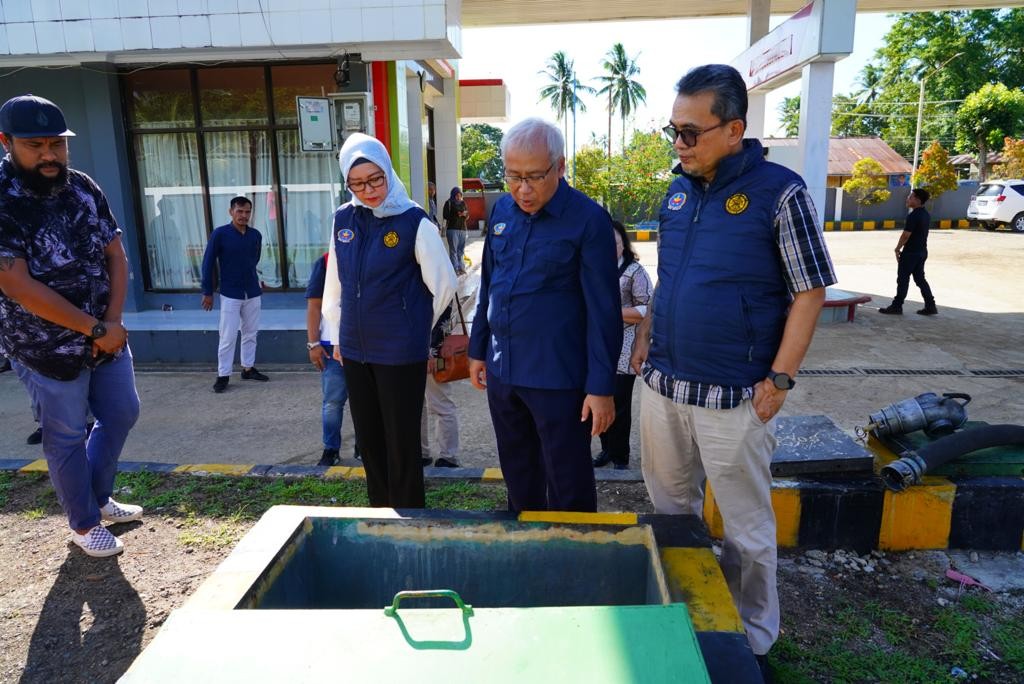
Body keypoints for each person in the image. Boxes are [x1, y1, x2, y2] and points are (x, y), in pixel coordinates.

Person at [629, 65, 836, 672]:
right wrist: (645, 336)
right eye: (673, 130)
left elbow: (810, 291)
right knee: (671, 515)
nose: (678, 144)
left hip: (736, 399)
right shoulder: (675, 191)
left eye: (691, 133)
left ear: (734, 129)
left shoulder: (781, 192)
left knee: (745, 531)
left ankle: (753, 640)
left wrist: (779, 380)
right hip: (663, 387)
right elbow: (670, 279)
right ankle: (687, 618)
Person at [0, 94, 143, 558]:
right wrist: (93, 328)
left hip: (106, 335)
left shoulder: (82, 187)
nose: (49, 155)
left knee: (121, 411)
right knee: (65, 435)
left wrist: (113, 321)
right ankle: (83, 525)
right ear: (6, 142)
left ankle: (98, 499)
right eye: (35, 145)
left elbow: (115, 256)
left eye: (57, 144)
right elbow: (16, 284)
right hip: (45, 348)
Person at [468, 118, 621, 513]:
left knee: (567, 480)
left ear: (561, 166)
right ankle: (529, 555)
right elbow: (490, 285)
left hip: (559, 379)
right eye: (513, 176)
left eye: (535, 176)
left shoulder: (588, 221)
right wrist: (478, 348)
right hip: (505, 373)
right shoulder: (503, 211)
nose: (523, 188)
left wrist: (601, 387)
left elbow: (604, 311)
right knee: (518, 474)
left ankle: (573, 560)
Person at [322, 133, 457, 508]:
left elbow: (444, 285)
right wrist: (335, 337)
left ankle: (410, 514)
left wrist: (413, 328)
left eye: (375, 179)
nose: (368, 190)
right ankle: (380, 512)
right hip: (354, 349)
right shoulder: (343, 220)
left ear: (388, 172)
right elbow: (335, 286)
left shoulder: (415, 221)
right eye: (358, 183)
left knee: (401, 440)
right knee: (369, 439)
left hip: (400, 353)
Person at [592, 221, 653, 471]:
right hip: (596, 346)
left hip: (624, 346)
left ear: (623, 244)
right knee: (597, 398)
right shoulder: (592, 269)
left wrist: (612, 313)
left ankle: (620, 456)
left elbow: (647, 308)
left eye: (614, 243)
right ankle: (606, 448)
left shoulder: (635, 272)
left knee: (620, 404)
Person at [200, 196, 269, 393]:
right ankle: (223, 374)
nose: (244, 215)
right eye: (239, 211)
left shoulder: (255, 235)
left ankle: (248, 368)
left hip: (252, 292)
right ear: (231, 212)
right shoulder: (220, 234)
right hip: (230, 292)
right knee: (228, 335)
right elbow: (208, 263)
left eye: (247, 212)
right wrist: (207, 291)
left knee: (250, 333)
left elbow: (254, 260)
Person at [304, 251, 352, 467]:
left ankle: (365, 446)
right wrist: (313, 344)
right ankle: (330, 449)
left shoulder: (369, 255)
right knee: (333, 402)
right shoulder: (324, 262)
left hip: (366, 344)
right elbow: (314, 305)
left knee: (367, 403)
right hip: (330, 345)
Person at [879, 187, 937, 316]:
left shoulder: (913, 215)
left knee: (903, 279)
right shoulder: (925, 214)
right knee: (920, 279)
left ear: (917, 200)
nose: (908, 199)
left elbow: (906, 235)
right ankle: (930, 305)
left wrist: (897, 248)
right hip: (922, 252)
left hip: (910, 253)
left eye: (911, 197)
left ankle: (897, 306)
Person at [421, 300, 462, 468]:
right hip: (420, 348)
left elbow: (443, 314)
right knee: (417, 405)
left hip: (433, 351)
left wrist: (430, 349)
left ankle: (447, 455)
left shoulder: (439, 278)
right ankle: (426, 453)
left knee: (441, 404)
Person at [442, 187, 469, 274]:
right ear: (453, 195)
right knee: (453, 250)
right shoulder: (449, 203)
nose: (458, 197)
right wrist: (456, 214)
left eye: (460, 195)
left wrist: (465, 214)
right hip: (452, 229)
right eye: (457, 195)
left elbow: (468, 214)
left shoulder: (463, 203)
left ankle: (461, 267)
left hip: (463, 229)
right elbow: (445, 215)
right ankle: (455, 269)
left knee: (461, 250)